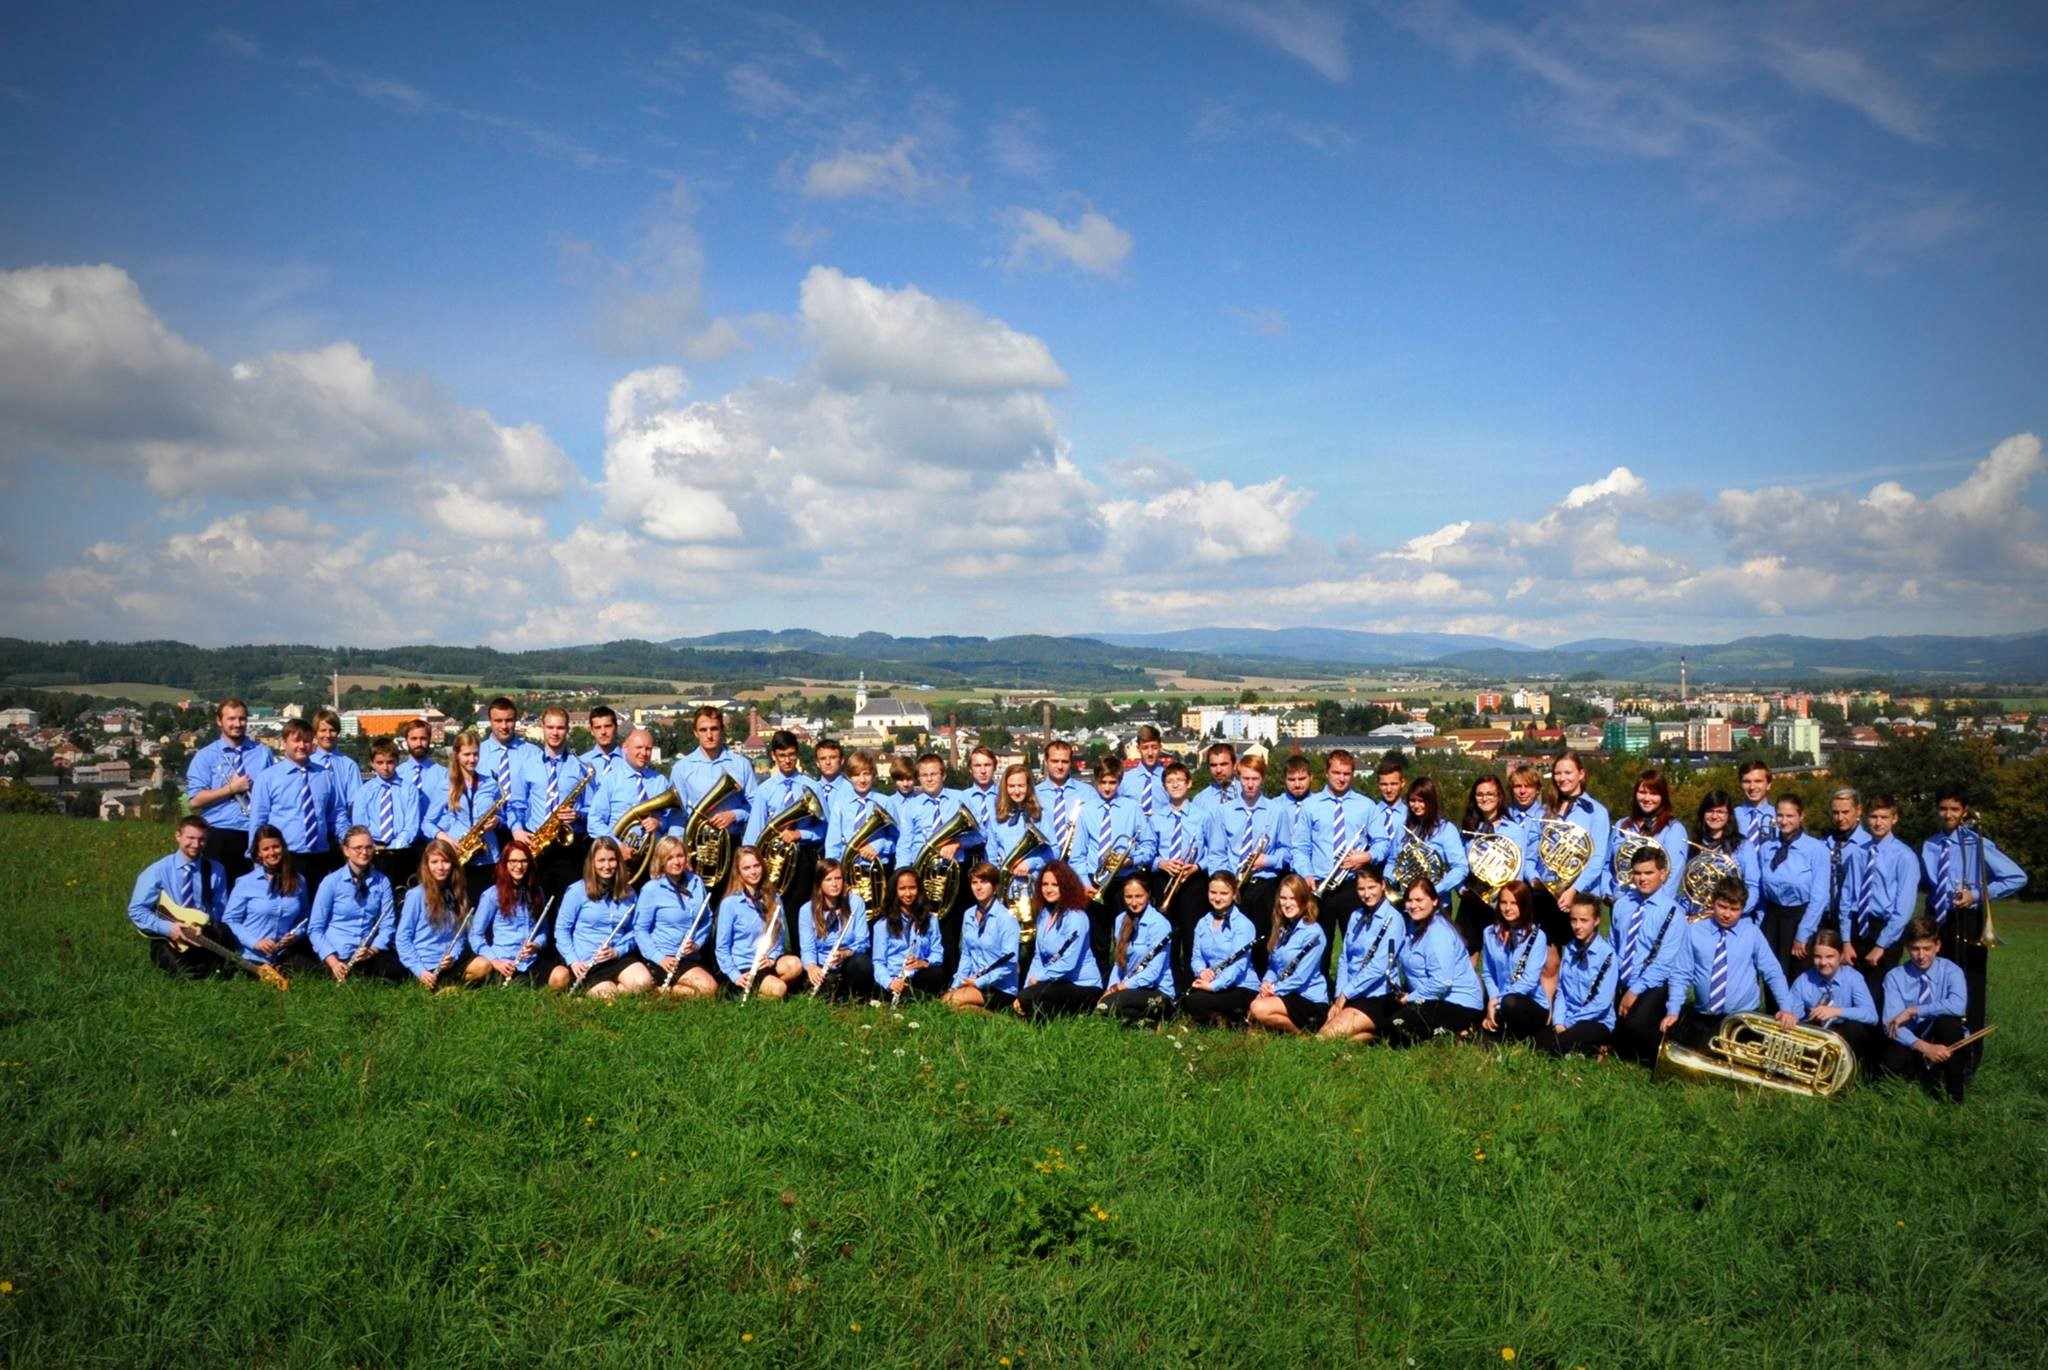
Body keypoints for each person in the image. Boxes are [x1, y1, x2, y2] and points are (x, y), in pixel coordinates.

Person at [1918, 784, 2025, 1073]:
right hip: (1939, 922)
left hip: (1968, 921)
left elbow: (2016, 877)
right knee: (1937, 985)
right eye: (1943, 808)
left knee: (1969, 991)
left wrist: (1976, 894)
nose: (1948, 814)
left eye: (1954, 809)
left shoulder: (1976, 843)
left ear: (1964, 811)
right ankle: (1939, 1053)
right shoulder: (1930, 844)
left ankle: (1968, 1060)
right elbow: (1927, 883)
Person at [1658, 876, 1794, 1051]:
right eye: (1722, 907)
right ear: (1713, 903)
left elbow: (1772, 972)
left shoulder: (1752, 933)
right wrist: (1673, 1011)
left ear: (1743, 909)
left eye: (1734, 909)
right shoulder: (1695, 932)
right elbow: (1681, 974)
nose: (1727, 914)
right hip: (1705, 1016)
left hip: (1744, 1018)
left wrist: (1786, 1007)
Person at [1293, 749, 1376, 979]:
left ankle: (1353, 995)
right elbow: (1300, 847)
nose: (1341, 778)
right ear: (1326, 773)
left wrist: (1366, 856)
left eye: (1347, 773)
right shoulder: (1311, 806)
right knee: (1319, 946)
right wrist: (1306, 874)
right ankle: (1320, 999)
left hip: (1353, 886)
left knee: (1357, 944)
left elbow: (1382, 843)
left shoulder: (1366, 805)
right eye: (1336, 772)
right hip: (1319, 886)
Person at [1205, 754, 1291, 955]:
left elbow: (1287, 852)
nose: (1250, 784)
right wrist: (1227, 884)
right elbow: (1217, 853)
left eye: (1255, 779)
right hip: (1233, 885)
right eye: (1245, 778)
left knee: (1262, 941)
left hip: (1264, 885)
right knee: (1230, 940)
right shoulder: (1224, 811)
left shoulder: (1277, 811)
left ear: (1263, 779)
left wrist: (1267, 860)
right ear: (1238, 777)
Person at [1610, 845, 1688, 1066]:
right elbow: (1613, 946)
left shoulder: (1673, 913)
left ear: (1662, 874)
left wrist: (1634, 991)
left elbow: (1664, 963)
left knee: (1636, 1024)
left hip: (1652, 983)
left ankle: (1661, 1051)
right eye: (1637, 873)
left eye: (1649, 873)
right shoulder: (1622, 904)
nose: (1642, 879)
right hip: (1622, 979)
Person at [127, 814, 232, 976]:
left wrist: (206, 925)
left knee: (221, 940)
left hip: (203, 932)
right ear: (178, 836)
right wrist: (168, 929)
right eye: (190, 838)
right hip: (170, 937)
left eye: (202, 839)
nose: (196, 845)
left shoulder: (216, 869)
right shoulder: (158, 870)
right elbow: (136, 909)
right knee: (184, 974)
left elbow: (221, 907)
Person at [1077, 755, 1156, 972]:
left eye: (1112, 782)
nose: (1107, 788)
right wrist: (1085, 883)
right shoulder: (1086, 811)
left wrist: (1131, 860)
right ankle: (1100, 985)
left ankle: (1126, 980)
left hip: (1124, 881)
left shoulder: (1132, 808)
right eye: (1103, 782)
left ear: (1119, 782)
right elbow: (1078, 854)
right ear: (1095, 782)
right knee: (1098, 941)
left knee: (1126, 937)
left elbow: (1149, 845)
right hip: (1096, 883)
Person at [748, 730, 827, 946]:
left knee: (802, 914)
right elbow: (755, 830)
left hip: (803, 859)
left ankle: (804, 963)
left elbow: (825, 830)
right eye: (782, 755)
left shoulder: (813, 786)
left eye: (791, 754)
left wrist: (800, 834)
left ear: (798, 754)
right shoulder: (765, 790)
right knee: (769, 914)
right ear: (774, 755)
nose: (787, 760)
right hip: (773, 861)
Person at [1880, 917, 1970, 1102]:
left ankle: (1955, 1098)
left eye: (1927, 948)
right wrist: (1926, 1048)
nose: (1921, 956)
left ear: (1937, 945)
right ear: (1906, 947)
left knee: (1949, 1024)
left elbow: (1957, 1006)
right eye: (1915, 949)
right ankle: (1914, 1081)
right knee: (1891, 1061)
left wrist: (1914, 1010)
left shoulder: (1952, 971)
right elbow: (1891, 1025)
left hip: (1943, 1037)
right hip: (1913, 1040)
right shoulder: (1894, 977)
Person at [247, 718, 344, 888]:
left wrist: (348, 839)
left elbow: (336, 814)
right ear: (284, 743)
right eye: (296, 740)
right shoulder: (268, 778)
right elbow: (258, 822)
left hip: (319, 856)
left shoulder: (325, 776)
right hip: (284, 857)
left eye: (306, 741)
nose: (302, 745)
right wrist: (256, 860)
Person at [1387, 878, 1484, 1043]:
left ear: (1434, 900)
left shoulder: (1438, 933)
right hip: (1430, 998)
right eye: (1409, 900)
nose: (1413, 905)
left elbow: (1441, 983)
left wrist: (1409, 998)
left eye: (1419, 900)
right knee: (1386, 1019)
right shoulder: (1413, 926)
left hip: (1458, 1003)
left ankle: (1462, 1033)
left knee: (1397, 1026)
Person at [513, 706, 594, 904]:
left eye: (560, 728)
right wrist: (517, 830)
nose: (555, 733)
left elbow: (593, 808)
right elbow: (516, 804)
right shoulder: (528, 765)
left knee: (567, 903)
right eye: (550, 727)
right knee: (535, 903)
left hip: (568, 846)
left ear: (567, 730)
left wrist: (578, 815)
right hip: (536, 843)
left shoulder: (580, 767)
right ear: (542, 728)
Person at [185, 697, 271, 884]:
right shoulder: (205, 757)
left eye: (241, 719)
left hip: (256, 833)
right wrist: (231, 789)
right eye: (231, 719)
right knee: (218, 893)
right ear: (219, 721)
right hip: (219, 834)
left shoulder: (263, 753)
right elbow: (194, 801)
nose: (237, 724)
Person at [1319, 863, 1406, 1044]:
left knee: (1325, 1037)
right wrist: (1339, 996)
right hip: (1352, 992)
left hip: (1378, 995)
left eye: (1372, 887)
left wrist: (1345, 995)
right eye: (1361, 889)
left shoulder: (1394, 919)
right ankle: (1379, 1034)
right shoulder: (1355, 915)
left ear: (1382, 885)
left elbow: (1379, 967)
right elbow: (1344, 957)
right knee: (1334, 1035)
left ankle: (1380, 1026)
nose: (1367, 894)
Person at [549, 838, 646, 999]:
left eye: (612, 860)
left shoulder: (629, 893)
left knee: (643, 983)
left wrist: (617, 951)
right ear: (592, 863)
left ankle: (611, 988)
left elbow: (634, 931)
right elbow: (562, 930)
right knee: (608, 997)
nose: (607, 866)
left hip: (617, 957)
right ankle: (598, 991)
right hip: (587, 962)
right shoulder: (577, 891)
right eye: (601, 860)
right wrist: (573, 961)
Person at [670, 706, 756, 890]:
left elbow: (756, 807)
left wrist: (735, 815)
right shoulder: (682, 768)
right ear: (695, 733)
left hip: (731, 844)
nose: (709, 735)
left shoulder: (741, 764)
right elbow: (678, 814)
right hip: (696, 847)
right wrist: (678, 853)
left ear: (722, 730)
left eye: (714, 729)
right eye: (703, 730)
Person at [1144, 759, 1208, 987]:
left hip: (1192, 883)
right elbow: (1147, 853)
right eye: (1170, 781)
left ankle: (1192, 986)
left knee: (1192, 937)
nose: (1175, 784)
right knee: (1167, 936)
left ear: (1189, 783)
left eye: (1180, 780)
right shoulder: (1155, 818)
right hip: (1164, 882)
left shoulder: (1202, 816)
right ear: (1164, 787)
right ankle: (1167, 988)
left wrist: (1198, 866)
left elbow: (1213, 850)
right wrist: (1160, 864)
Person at [309, 826, 402, 982]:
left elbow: (387, 925)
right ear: (346, 850)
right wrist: (333, 962)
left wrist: (372, 950)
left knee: (400, 969)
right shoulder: (331, 882)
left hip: (366, 954)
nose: (364, 852)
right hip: (337, 953)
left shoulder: (382, 881)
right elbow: (315, 929)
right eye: (358, 848)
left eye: (368, 847)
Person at [1850, 794, 1919, 998]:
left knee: (1878, 991)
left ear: (1894, 818)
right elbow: (1848, 896)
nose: (1878, 822)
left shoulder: (1905, 856)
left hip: (1886, 929)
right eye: (1873, 817)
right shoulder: (1859, 853)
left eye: (1884, 817)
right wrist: (1846, 941)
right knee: (1855, 992)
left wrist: (1881, 945)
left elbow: (1904, 909)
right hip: (1859, 925)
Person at [1784, 928, 1881, 1071]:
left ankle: (1847, 1071)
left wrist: (1836, 1011)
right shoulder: (1803, 981)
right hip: (1814, 1032)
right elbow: (1794, 1017)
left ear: (1841, 956)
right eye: (1818, 957)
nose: (1823, 962)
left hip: (1845, 1034)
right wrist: (1791, 1018)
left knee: (1855, 1028)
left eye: (1830, 956)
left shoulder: (1853, 978)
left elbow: (1872, 1016)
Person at [588, 728, 680, 878]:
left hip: (654, 859)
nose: (644, 753)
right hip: (619, 860)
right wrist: (618, 846)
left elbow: (672, 817)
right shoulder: (611, 780)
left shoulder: (659, 781)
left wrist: (659, 822)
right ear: (625, 748)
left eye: (648, 748)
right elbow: (594, 822)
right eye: (639, 747)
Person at [634, 834, 717, 998]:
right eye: (669, 858)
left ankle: (664, 991)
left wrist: (697, 944)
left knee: (709, 989)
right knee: (709, 988)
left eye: (680, 856)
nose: (677, 862)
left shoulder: (696, 882)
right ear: (661, 861)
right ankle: (659, 984)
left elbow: (706, 918)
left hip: (689, 956)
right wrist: (659, 958)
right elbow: (640, 930)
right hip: (662, 958)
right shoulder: (652, 889)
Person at [426, 730, 503, 906]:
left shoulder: (490, 783)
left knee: (488, 908)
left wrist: (497, 821)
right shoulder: (445, 786)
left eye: (475, 754)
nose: (472, 759)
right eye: (466, 754)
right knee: (459, 909)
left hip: (489, 857)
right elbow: (427, 823)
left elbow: (502, 815)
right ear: (457, 755)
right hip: (459, 855)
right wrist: (445, 838)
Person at [1018, 862, 1102, 1021]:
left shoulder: (1077, 917)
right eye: (1044, 884)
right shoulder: (1044, 914)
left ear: (1066, 886)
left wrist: (1039, 978)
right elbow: (1038, 957)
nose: (1048, 889)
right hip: (1055, 982)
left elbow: (1068, 962)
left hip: (1082, 985)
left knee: (1030, 998)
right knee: (1027, 997)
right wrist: (1026, 986)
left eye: (1055, 885)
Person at [1456, 773, 1530, 952]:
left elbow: (1517, 872)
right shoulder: (1469, 829)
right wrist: (1460, 889)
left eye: (1490, 794)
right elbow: (1460, 864)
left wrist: (1503, 900)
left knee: (1500, 957)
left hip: (1500, 904)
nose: (1485, 798)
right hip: (1471, 902)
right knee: (1463, 958)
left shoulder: (1514, 831)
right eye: (1480, 794)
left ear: (1499, 797)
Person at [223, 824, 312, 970]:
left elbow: (304, 918)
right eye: (266, 849)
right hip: (251, 955)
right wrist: (255, 942)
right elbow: (229, 920)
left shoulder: (299, 880)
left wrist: (296, 935)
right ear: (258, 853)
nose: (272, 852)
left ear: (283, 847)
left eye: (276, 846)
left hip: (284, 953)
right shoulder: (245, 883)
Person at [1795, 787, 1871, 957]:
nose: (1840, 818)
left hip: (1852, 916)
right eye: (1835, 812)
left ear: (1858, 811)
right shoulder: (1824, 842)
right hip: (1824, 914)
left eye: (1846, 812)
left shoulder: (1867, 845)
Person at [1248, 875, 1329, 1034]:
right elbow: (1273, 966)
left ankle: (1302, 1035)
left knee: (1258, 1009)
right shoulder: (1283, 928)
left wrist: (1273, 991)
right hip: (1286, 993)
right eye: (1283, 898)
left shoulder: (1314, 933)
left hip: (1309, 999)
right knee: (1253, 1011)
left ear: (1304, 900)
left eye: (1293, 898)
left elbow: (1300, 977)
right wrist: (1266, 982)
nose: (1287, 903)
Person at [1758, 794, 1828, 978]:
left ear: (1801, 816)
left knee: (1799, 977)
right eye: (1780, 815)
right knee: (1772, 976)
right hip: (1772, 920)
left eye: (1790, 816)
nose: (1784, 821)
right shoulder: (1767, 848)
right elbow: (1761, 891)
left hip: (1801, 919)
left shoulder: (1816, 849)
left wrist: (1803, 933)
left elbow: (1819, 897)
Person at [463, 840, 547, 986]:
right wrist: (495, 961)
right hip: (502, 961)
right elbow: (476, 934)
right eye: (513, 861)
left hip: (529, 961)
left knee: (561, 977)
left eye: (524, 861)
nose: (519, 866)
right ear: (505, 864)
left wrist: (537, 945)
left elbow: (544, 929)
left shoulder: (537, 892)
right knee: (479, 967)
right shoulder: (492, 894)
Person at [1181, 871, 1259, 1026]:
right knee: (1186, 999)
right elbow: (1196, 957)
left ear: (1234, 894)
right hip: (1212, 981)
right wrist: (1201, 971)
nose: (1217, 898)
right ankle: (1227, 1020)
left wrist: (1213, 986)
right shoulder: (1203, 922)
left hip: (1241, 986)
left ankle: (1232, 1020)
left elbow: (1238, 966)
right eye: (1213, 892)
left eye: (1224, 893)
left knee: (1195, 1001)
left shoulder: (1243, 925)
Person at [944, 863, 1022, 1015]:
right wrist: (956, 983)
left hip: (1000, 987)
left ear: (994, 886)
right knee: (952, 1005)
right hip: (974, 982)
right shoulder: (968, 914)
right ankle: (996, 1018)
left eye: (984, 882)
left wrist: (979, 982)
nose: (978, 887)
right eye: (974, 882)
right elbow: (966, 955)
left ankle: (1001, 1014)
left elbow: (1010, 964)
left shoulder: (1006, 919)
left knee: (949, 1002)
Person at [1098, 873, 1176, 1024]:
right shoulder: (1120, 919)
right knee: (1104, 1006)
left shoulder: (1159, 923)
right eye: (1129, 897)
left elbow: (1153, 972)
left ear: (1148, 895)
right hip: (1130, 988)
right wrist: (1110, 988)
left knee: (1110, 1006)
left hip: (1157, 991)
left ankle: (1157, 1016)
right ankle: (1146, 1021)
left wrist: (1120, 987)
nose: (1134, 902)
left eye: (1139, 896)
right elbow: (1118, 963)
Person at [1542, 897, 1615, 1058]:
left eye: (1584, 920)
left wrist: (1570, 1023)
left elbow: (1601, 1003)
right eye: (1573, 920)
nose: (1577, 926)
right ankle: (1586, 1050)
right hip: (1568, 1017)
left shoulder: (1607, 954)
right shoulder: (1569, 949)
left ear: (1596, 921)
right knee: (1539, 1040)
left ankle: (1596, 1047)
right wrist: (1559, 1021)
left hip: (1594, 1021)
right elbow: (1562, 991)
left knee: (1555, 1048)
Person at [395, 838, 473, 989]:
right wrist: (420, 970)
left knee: (483, 965)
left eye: (445, 861)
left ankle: (447, 985)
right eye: (435, 862)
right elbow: (403, 937)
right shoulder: (416, 895)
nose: (441, 867)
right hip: (424, 962)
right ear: (427, 865)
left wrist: (453, 957)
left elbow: (460, 935)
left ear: (453, 864)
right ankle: (444, 986)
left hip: (447, 961)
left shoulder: (458, 893)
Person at [1479, 880, 1549, 1044]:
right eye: (1503, 902)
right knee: (1483, 1041)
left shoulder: (1537, 936)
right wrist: (1494, 999)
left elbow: (1529, 981)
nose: (1508, 908)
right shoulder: (1489, 933)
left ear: (1524, 905)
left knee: (1511, 1003)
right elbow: (1488, 973)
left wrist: (1497, 1004)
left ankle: (1524, 1037)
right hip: (1499, 1001)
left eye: (1514, 903)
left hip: (1527, 1004)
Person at [986, 762, 1052, 936]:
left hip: (1034, 886)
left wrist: (1030, 864)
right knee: (1008, 937)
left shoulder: (1040, 816)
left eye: (1021, 786)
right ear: (1005, 788)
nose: (1016, 791)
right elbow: (991, 854)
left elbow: (1053, 851)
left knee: (1035, 935)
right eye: (1012, 786)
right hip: (1006, 890)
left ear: (1028, 787)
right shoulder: (996, 818)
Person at [352, 739, 427, 888]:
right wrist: (372, 846)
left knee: (401, 892)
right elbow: (360, 825)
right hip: (373, 852)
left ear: (397, 762)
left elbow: (411, 825)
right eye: (380, 763)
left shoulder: (409, 789)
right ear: (372, 763)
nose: (385, 767)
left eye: (390, 762)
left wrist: (394, 847)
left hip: (402, 851)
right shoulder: (364, 792)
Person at [797, 858, 875, 1000]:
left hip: (848, 960)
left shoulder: (856, 903)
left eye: (838, 878)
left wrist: (844, 954)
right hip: (822, 963)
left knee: (862, 964)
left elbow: (863, 942)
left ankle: (858, 997)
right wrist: (812, 967)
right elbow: (807, 948)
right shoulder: (806, 910)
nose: (834, 884)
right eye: (828, 879)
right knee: (826, 989)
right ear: (819, 883)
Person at [826, 750, 896, 908]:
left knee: (879, 917)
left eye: (866, 774)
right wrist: (835, 875)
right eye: (856, 775)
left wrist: (878, 846)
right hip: (848, 872)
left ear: (874, 775)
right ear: (849, 777)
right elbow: (833, 844)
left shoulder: (885, 802)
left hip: (878, 871)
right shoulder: (841, 805)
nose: (862, 779)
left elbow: (896, 838)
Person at [1383, 776, 1468, 905]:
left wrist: (1434, 890)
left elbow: (1460, 868)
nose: (1416, 805)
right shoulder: (1403, 829)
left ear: (1431, 801)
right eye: (1412, 800)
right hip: (1408, 902)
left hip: (1437, 903)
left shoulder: (1446, 830)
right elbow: (1393, 861)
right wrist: (1386, 881)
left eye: (1421, 801)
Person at [1537, 751, 1609, 900]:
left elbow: (1597, 858)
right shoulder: (1543, 811)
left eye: (1568, 772)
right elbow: (1535, 851)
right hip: (1546, 891)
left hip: (1583, 895)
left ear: (1581, 774)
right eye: (1557, 773)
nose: (1562, 778)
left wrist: (1574, 890)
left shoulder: (1597, 812)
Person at [1684, 790, 1761, 920]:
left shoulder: (1743, 846)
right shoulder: (1693, 844)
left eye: (1720, 811)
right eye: (1709, 811)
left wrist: (1729, 912)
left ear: (1729, 815)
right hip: (1699, 918)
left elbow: (1753, 888)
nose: (1714, 816)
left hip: (1732, 919)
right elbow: (1688, 889)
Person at [874, 867, 946, 1003]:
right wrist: (890, 983)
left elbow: (938, 954)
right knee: (913, 998)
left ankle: (918, 996)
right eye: (902, 889)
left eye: (912, 888)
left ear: (919, 890)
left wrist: (922, 963)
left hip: (917, 976)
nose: (908, 893)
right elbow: (878, 962)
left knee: (936, 974)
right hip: (894, 978)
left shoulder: (931, 920)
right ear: (894, 891)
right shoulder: (882, 925)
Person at [1609, 768, 1689, 891]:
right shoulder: (1621, 825)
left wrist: (1655, 906)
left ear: (1663, 797)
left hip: (1654, 905)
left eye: (1653, 793)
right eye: (1642, 792)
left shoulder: (1674, 829)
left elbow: (1673, 875)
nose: (1647, 798)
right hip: (1620, 902)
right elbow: (1608, 865)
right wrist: (1609, 894)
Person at [477, 696, 532, 822]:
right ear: (490, 721)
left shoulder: (533, 754)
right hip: (486, 827)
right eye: (498, 720)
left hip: (524, 828)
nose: (504, 726)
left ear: (515, 720)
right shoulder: (476, 754)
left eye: (509, 720)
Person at [1035, 740, 1088, 863]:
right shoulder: (1034, 794)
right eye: (1055, 761)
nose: (1060, 766)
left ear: (1071, 763)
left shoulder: (1088, 793)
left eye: (1064, 762)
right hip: (1043, 864)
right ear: (1046, 762)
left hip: (1077, 866)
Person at [395, 718, 449, 827]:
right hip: (404, 837)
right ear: (406, 740)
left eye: (423, 738)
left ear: (429, 739)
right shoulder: (397, 774)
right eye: (414, 739)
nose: (419, 743)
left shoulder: (444, 775)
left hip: (434, 836)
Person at [310, 708, 363, 807]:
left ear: (338, 732)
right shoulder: (308, 763)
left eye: (332, 730)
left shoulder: (349, 766)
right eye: (323, 730)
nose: (328, 735)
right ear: (315, 733)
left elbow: (355, 801)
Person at [1116, 724, 1169, 821]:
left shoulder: (1169, 778)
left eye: (1154, 747)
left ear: (1160, 748)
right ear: (1138, 748)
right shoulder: (1125, 780)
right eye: (1145, 748)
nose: (1150, 753)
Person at [1188, 741, 1238, 830]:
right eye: (1213, 765)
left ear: (1234, 765)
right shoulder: (1200, 801)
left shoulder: (1247, 794)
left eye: (1223, 764)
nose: (1218, 770)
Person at [1733, 761, 1776, 851]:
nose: (1752, 787)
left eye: (1758, 781)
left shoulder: (1780, 816)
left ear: (1768, 785)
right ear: (1740, 784)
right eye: (1747, 782)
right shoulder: (1731, 816)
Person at [580, 705, 624, 786]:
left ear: (616, 727)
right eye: (598, 727)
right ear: (592, 731)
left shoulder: (629, 760)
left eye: (608, 726)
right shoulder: (582, 762)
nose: (603, 732)